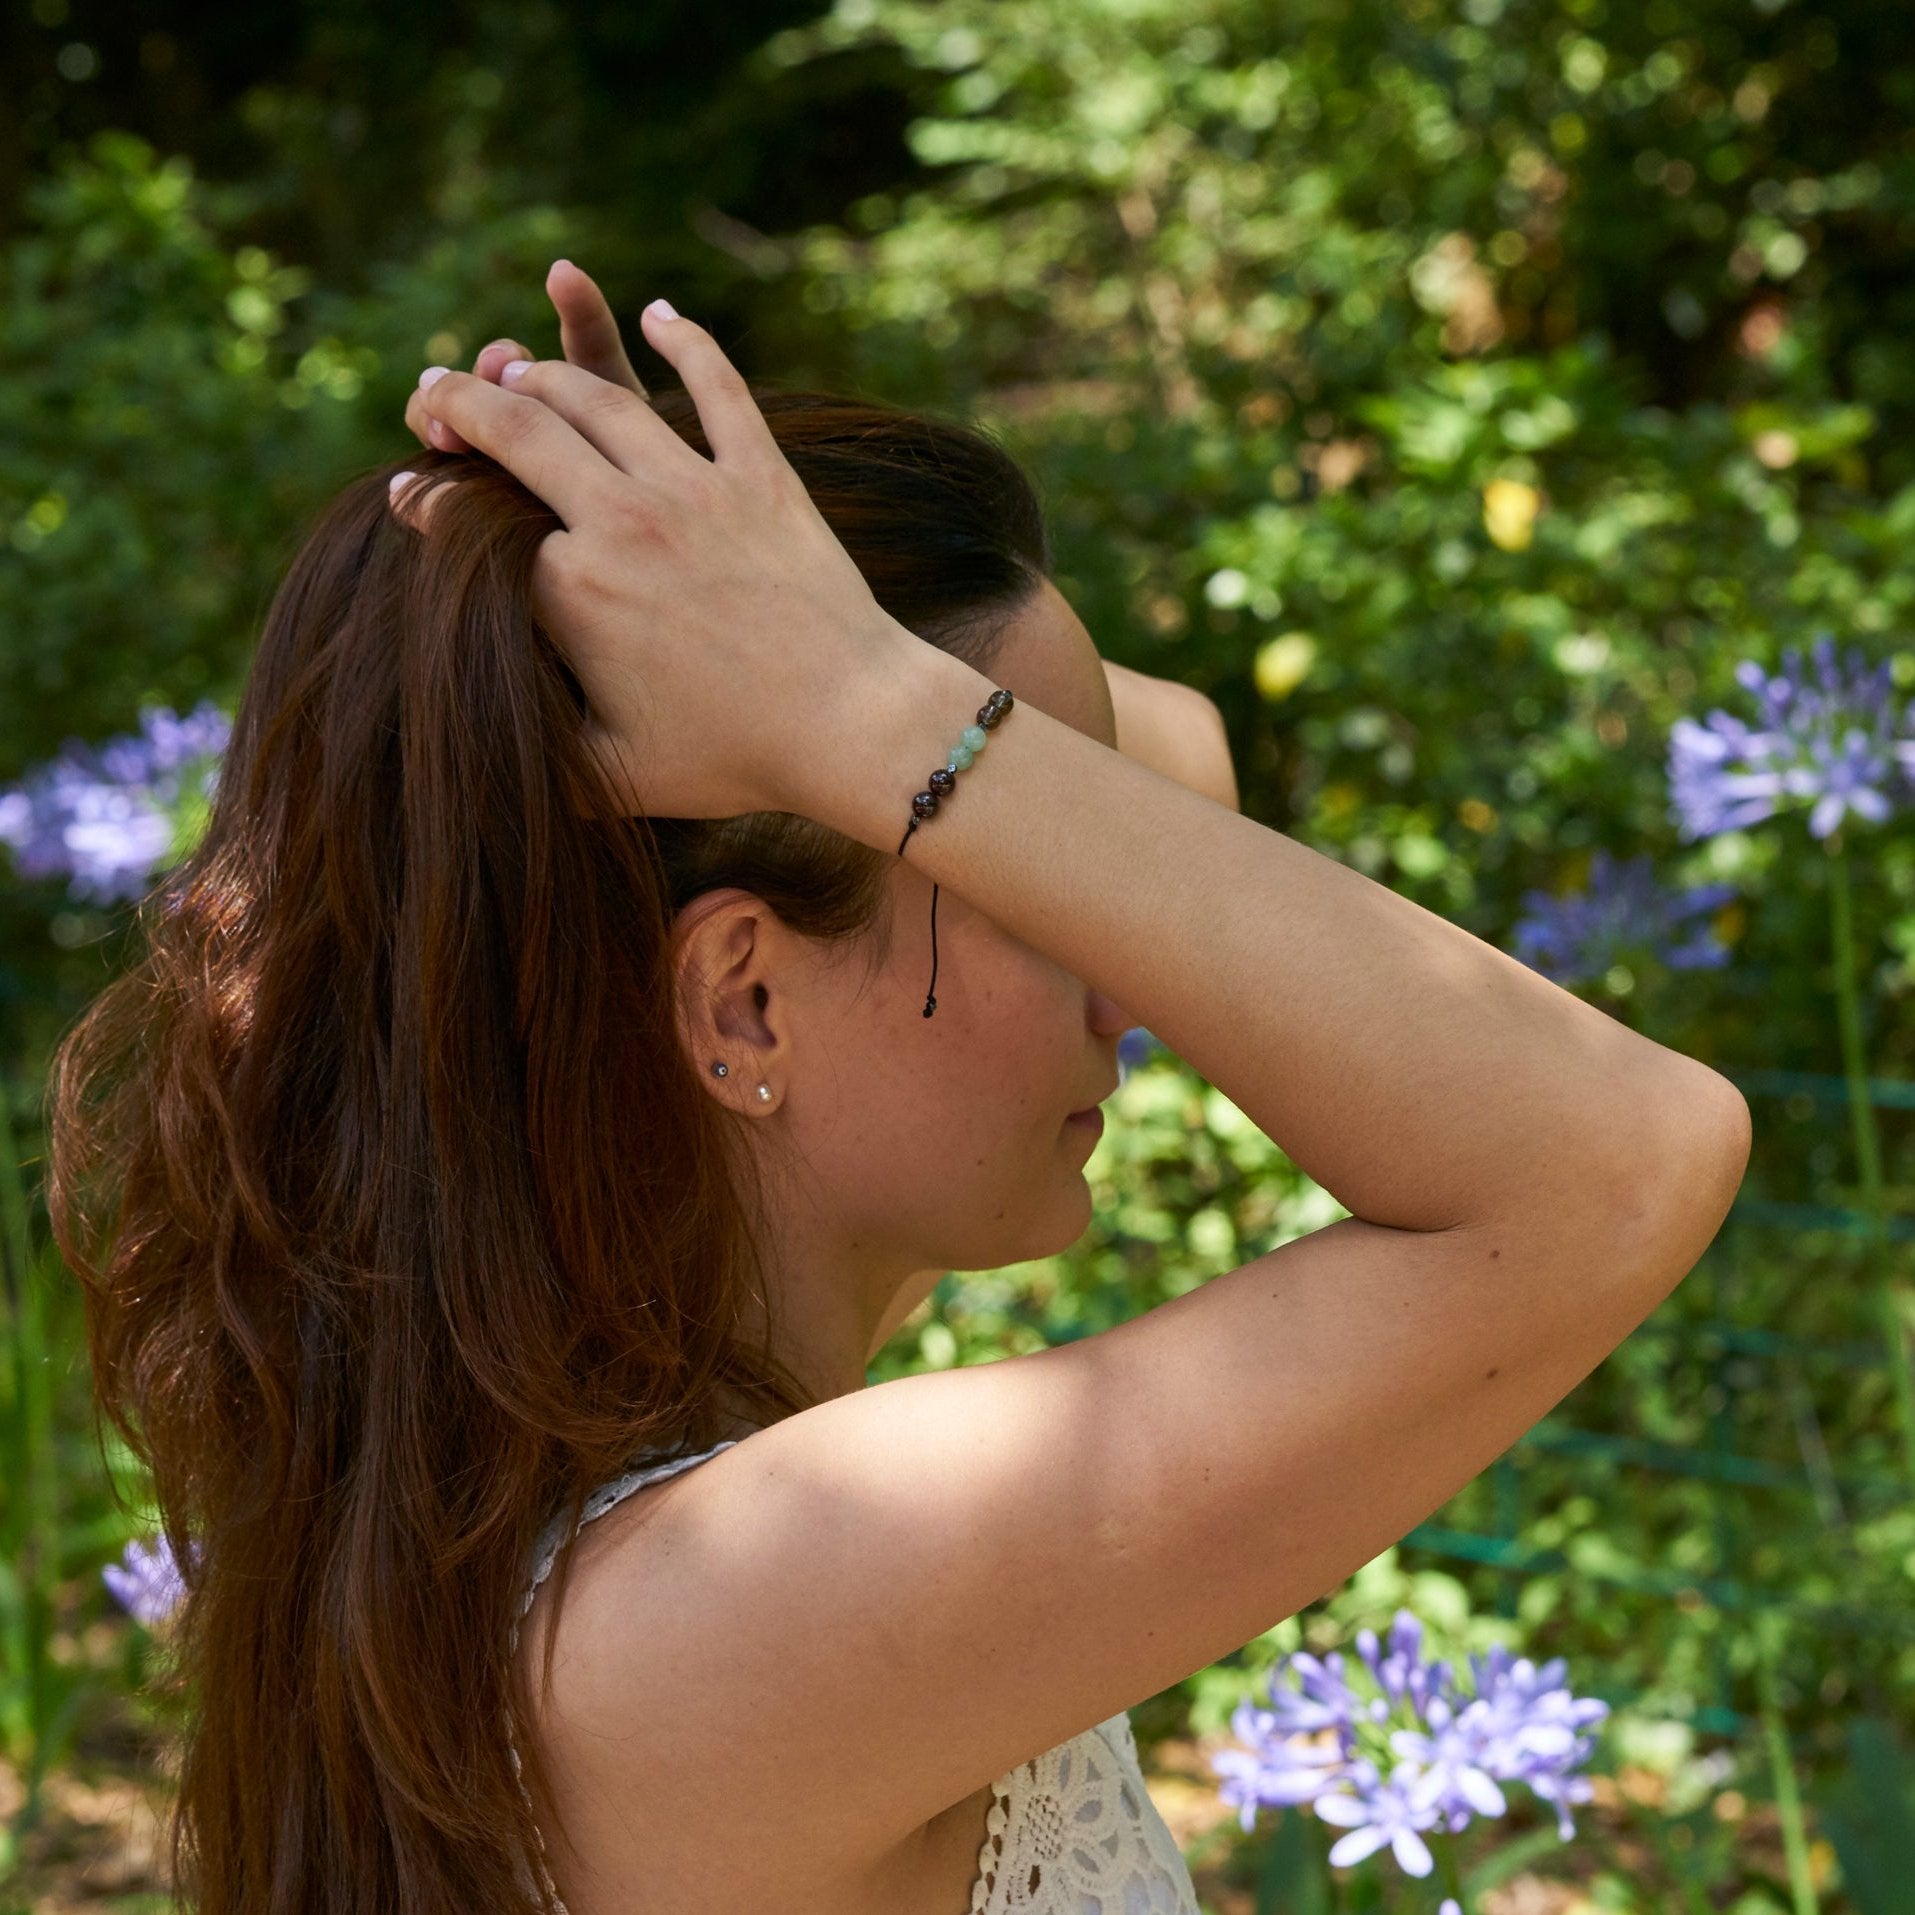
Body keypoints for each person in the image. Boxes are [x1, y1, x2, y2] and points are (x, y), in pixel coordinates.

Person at [49, 259, 1751, 1915]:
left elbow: (1178, 763)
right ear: (744, 1008)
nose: (1130, 989)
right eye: (1014, 861)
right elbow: (1616, 1159)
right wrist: (852, 702)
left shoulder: (530, 1483)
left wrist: (725, 630)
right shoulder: (750, 1606)